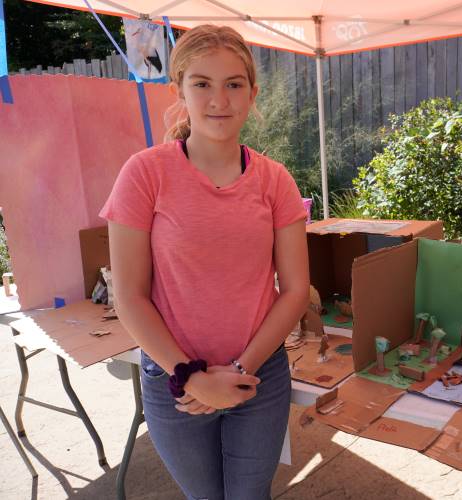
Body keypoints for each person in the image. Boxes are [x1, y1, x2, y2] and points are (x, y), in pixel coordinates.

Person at [100, 24, 309, 499]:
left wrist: (236, 372)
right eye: (202, 84)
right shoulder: (144, 174)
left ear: (252, 93)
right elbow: (129, 294)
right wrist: (190, 378)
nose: (220, 99)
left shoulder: (276, 181)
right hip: (172, 379)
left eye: (234, 84)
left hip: (258, 376)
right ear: (178, 90)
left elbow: (295, 289)